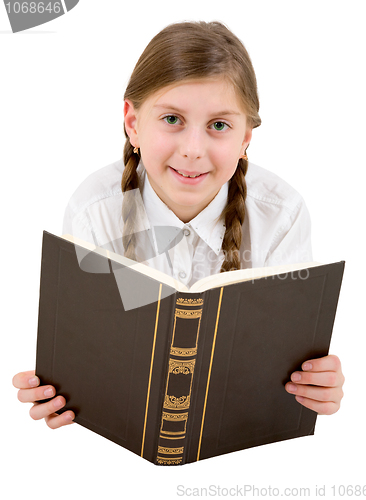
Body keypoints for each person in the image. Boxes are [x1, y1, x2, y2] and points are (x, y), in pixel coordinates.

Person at [13, 21, 344, 431]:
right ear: (133, 123)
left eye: (219, 125)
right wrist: (59, 386)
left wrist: (316, 384)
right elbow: (91, 351)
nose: (192, 150)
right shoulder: (93, 211)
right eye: (172, 118)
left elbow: (286, 364)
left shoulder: (282, 215)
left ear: (246, 138)